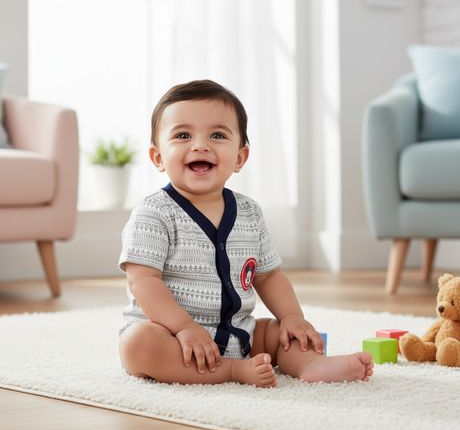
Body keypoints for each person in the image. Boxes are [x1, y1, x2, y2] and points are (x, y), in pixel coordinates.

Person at [118, 80, 374, 387]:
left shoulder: (249, 212)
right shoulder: (153, 213)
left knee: (280, 332)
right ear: (158, 157)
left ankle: (311, 365)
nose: (200, 145)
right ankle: (231, 371)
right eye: (183, 135)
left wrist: (293, 316)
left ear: (240, 157)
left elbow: (268, 276)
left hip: (240, 335)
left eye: (217, 135)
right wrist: (184, 327)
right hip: (174, 338)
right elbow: (143, 281)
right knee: (138, 344)